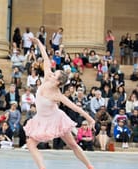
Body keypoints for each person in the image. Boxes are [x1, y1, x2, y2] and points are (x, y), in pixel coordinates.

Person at [24, 37, 95, 169]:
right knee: (30, 144)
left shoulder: (58, 95)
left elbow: (75, 107)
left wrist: (90, 119)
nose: (50, 74)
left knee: (72, 144)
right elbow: (46, 58)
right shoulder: (46, 78)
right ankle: (42, 167)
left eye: (54, 75)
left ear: (58, 82)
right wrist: (38, 42)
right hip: (41, 119)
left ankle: (90, 166)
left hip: (56, 119)